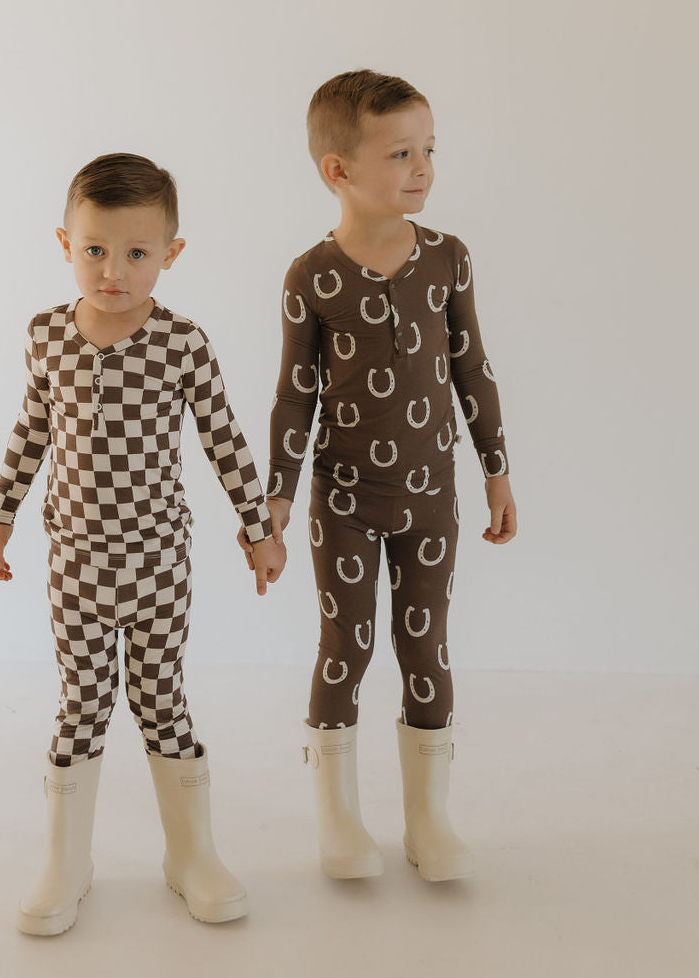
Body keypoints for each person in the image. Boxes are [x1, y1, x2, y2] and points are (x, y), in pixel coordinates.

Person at [0, 152, 285, 934]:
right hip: (75, 568)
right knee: (81, 703)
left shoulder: (181, 343)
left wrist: (258, 529)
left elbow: (225, 439)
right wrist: (1, 513)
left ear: (170, 255)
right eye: (95, 250)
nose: (113, 271)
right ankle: (67, 861)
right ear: (65, 243)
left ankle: (191, 856)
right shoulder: (47, 335)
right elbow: (30, 432)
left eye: (137, 253)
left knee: (162, 702)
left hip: (157, 567)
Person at [253, 69, 516, 882]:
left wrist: (497, 473)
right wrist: (278, 500)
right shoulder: (312, 276)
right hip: (345, 499)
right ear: (338, 171)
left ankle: (428, 822)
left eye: (429, 149)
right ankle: (339, 821)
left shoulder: (448, 258)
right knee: (348, 645)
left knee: (425, 645)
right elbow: (295, 396)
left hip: (433, 496)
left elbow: (473, 369)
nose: (424, 168)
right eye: (402, 153)